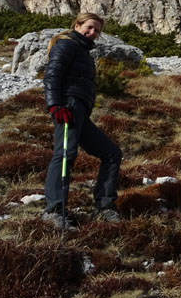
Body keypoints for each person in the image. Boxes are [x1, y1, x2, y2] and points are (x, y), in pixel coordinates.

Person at [42, 12, 122, 224]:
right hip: (68, 106)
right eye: (89, 27)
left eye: (96, 30)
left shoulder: (83, 51)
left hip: (79, 111)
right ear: (77, 26)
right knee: (65, 153)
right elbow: (52, 75)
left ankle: (104, 207)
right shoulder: (66, 44)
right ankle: (53, 211)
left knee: (112, 153)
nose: (93, 32)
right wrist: (55, 106)